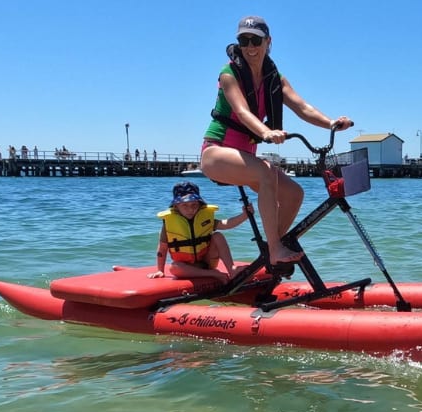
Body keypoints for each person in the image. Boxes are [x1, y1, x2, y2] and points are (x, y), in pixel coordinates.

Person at [200, 16, 352, 265]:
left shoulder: (274, 78)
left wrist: (331, 123)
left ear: (268, 42)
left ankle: (269, 255)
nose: (250, 47)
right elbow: (242, 112)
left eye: (256, 40)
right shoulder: (229, 74)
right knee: (265, 172)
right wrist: (266, 132)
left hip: (245, 158)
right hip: (216, 153)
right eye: (244, 40)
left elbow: (302, 107)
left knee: (294, 193)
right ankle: (275, 250)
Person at [148, 181, 252, 281]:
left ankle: (231, 269)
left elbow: (226, 224)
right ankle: (212, 273)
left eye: (194, 205)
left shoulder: (204, 218)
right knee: (173, 268)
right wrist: (160, 270)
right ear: (176, 206)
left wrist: (244, 215)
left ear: (199, 204)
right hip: (186, 267)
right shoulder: (169, 224)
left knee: (217, 235)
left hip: (208, 261)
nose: (190, 209)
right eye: (185, 205)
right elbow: (162, 249)